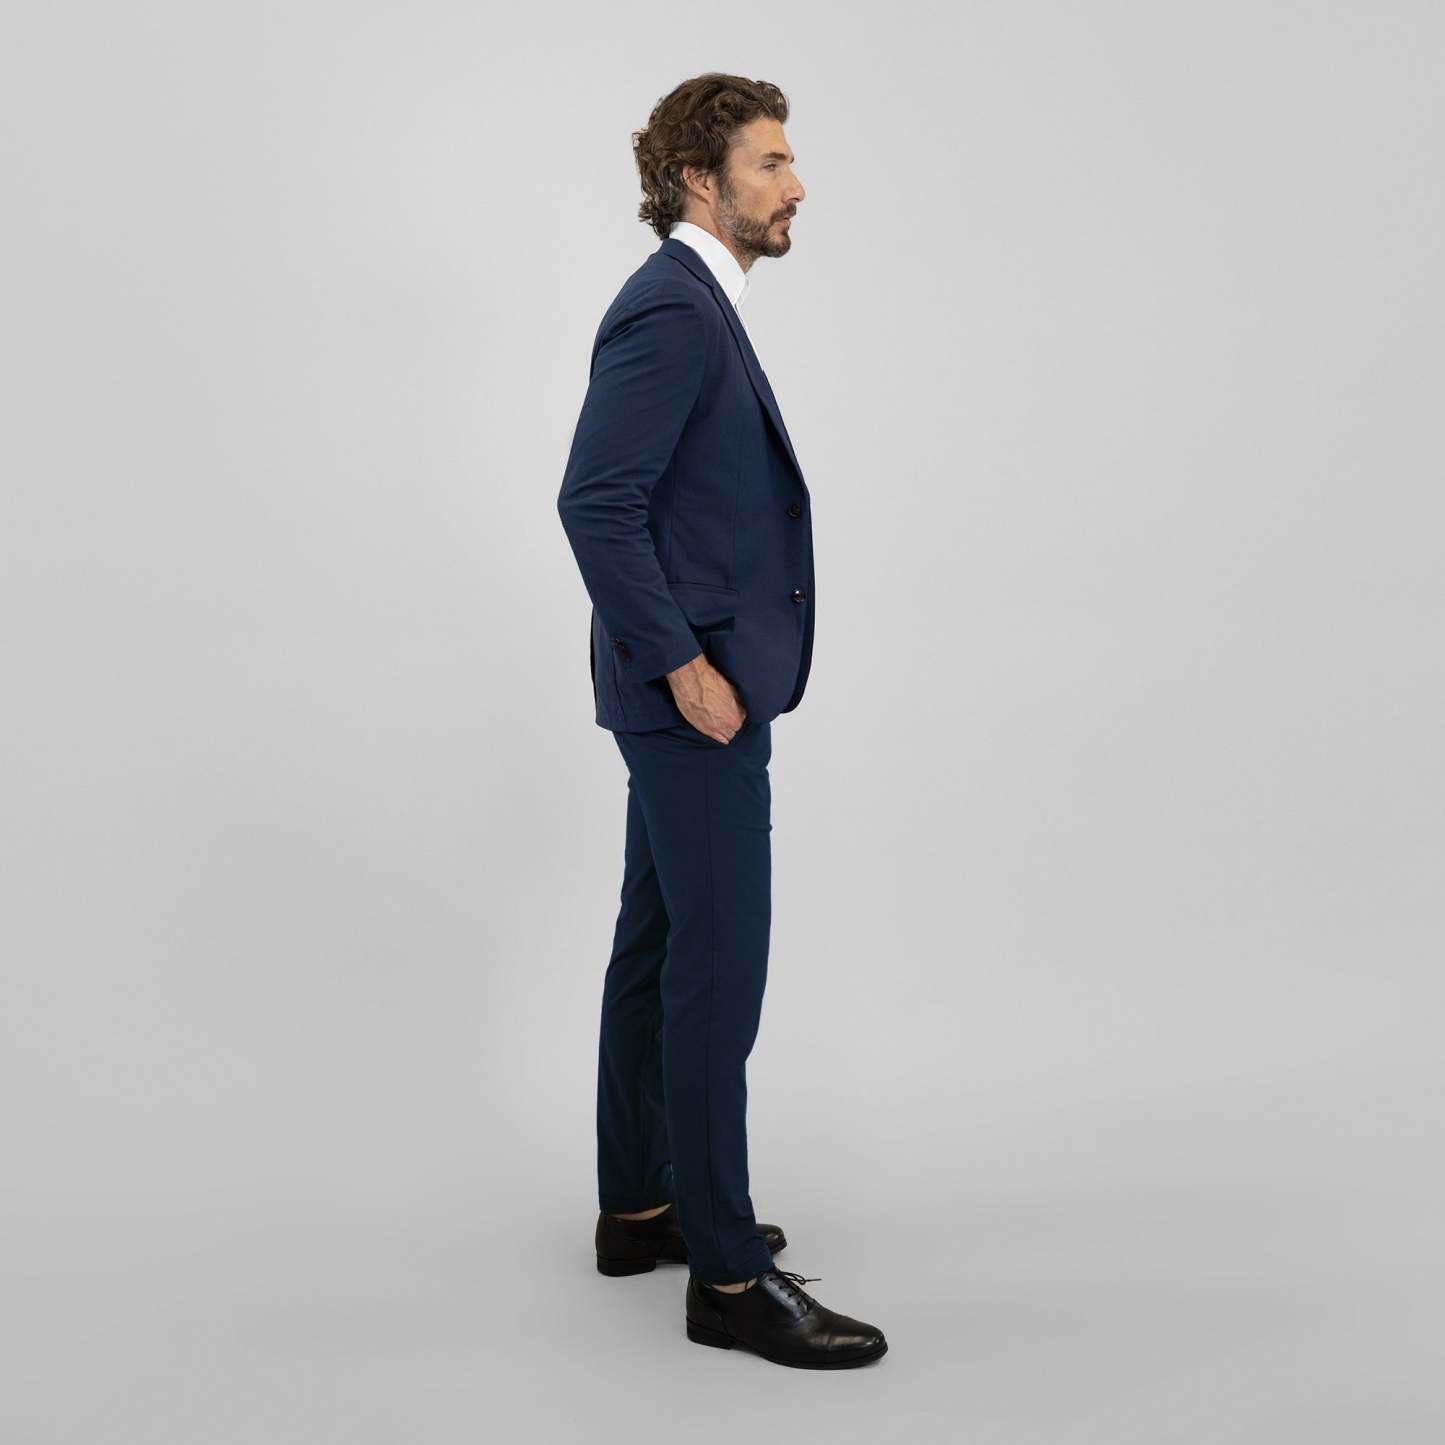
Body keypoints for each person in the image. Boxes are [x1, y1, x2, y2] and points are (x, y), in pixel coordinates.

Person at [556, 72, 888, 1370]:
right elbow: (597, 500)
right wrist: (684, 665)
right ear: (700, 180)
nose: (796, 185)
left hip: (689, 691)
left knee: (657, 949)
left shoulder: (698, 305)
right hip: (691, 701)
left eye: (788, 161)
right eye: (770, 163)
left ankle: (642, 1206)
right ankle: (731, 1278)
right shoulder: (674, 310)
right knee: (716, 972)